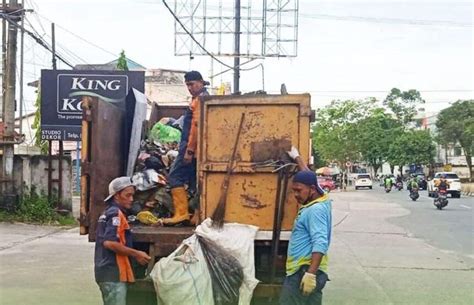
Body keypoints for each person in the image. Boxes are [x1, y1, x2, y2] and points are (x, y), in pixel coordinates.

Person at [281, 148, 331, 305]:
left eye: (298, 190)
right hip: (309, 270)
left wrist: (310, 274)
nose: (296, 194)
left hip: (303, 271)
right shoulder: (322, 198)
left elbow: (320, 242)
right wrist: (297, 157)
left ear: (311, 189)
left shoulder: (315, 210)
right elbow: (309, 175)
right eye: (294, 190)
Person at [161, 71, 209, 225]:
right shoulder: (200, 98)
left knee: (175, 177)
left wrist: (189, 151)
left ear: (201, 82)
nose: (189, 87)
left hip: (190, 148)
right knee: (196, 182)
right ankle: (196, 215)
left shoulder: (200, 100)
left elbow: (196, 127)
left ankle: (181, 213)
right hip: (198, 149)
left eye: (192, 84)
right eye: (187, 85)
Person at [95, 177, 151, 305]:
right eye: (128, 195)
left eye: (132, 195)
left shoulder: (110, 212)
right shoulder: (115, 214)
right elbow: (109, 243)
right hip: (112, 274)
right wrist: (137, 254)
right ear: (116, 196)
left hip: (107, 273)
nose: (131, 199)